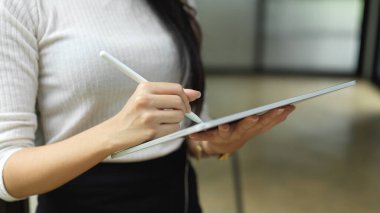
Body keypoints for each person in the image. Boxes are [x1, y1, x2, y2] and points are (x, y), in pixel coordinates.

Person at [0, 0, 295, 212]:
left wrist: (219, 144)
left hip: (177, 195)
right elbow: (7, 175)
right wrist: (114, 133)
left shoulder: (178, 4)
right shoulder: (21, 6)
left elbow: (192, 127)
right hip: (81, 198)